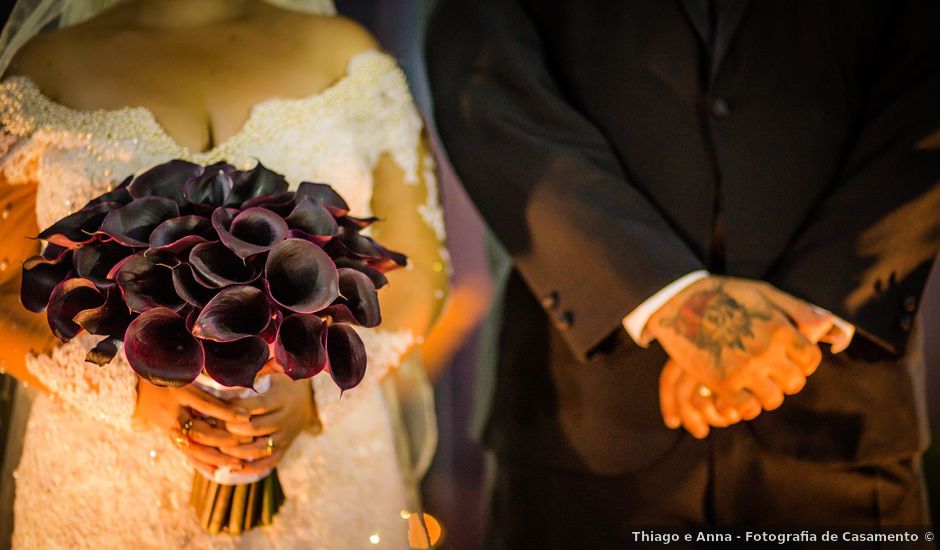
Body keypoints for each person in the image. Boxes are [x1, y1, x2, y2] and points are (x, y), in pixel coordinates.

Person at [426, 0, 940, 546]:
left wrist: (810, 305)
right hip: (578, 420)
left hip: (843, 412)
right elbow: (483, 83)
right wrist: (669, 298)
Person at [0, 0, 448, 547]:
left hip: (325, 476)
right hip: (104, 479)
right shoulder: (48, 70)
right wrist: (126, 393)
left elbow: (418, 272)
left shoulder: (345, 57)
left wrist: (312, 398)